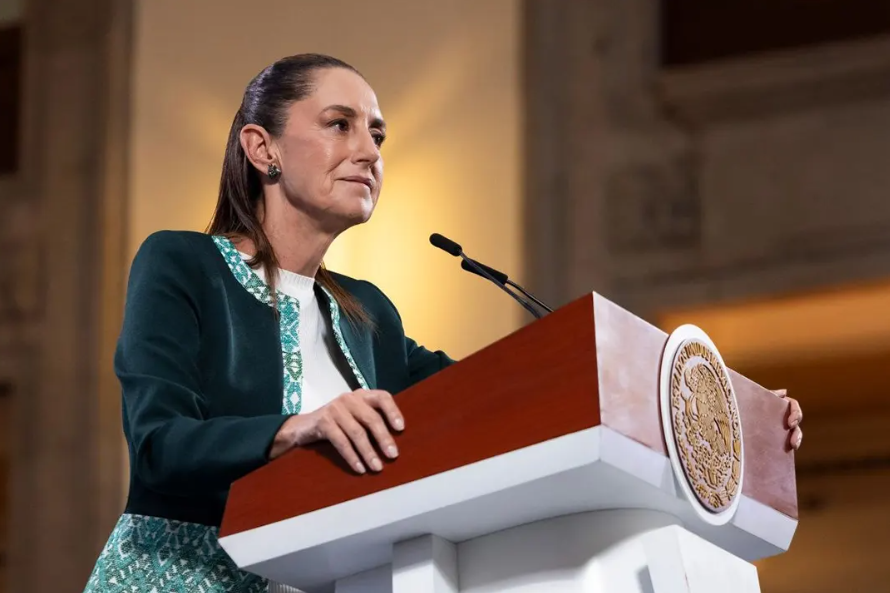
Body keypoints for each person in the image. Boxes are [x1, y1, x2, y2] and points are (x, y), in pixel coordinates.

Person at [83, 53, 804, 593]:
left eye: (377, 134)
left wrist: (717, 414)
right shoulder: (182, 264)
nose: (369, 151)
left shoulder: (368, 315)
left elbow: (502, 397)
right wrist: (296, 429)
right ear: (261, 147)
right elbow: (158, 444)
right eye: (339, 125)